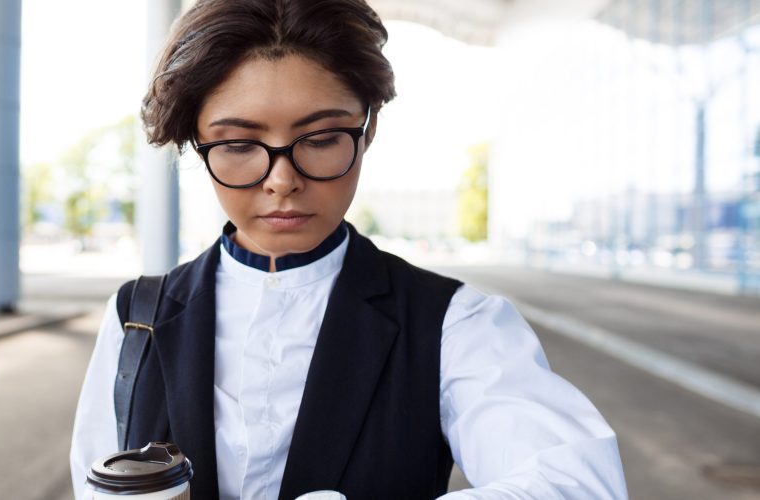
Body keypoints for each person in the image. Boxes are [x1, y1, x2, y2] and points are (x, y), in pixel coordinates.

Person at [70, 1, 627, 499]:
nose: (281, 181)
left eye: (320, 138)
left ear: (369, 127)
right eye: (239, 144)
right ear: (197, 140)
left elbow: (576, 482)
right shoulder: (135, 317)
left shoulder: (455, 323)